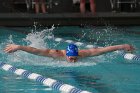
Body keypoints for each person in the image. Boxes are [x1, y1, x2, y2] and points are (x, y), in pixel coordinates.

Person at [4, 43, 134, 63]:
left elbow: (103, 50)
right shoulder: (55, 54)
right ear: (66, 54)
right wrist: (19, 47)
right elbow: (36, 51)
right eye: (71, 58)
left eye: (75, 58)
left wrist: (123, 46)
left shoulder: (84, 54)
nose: (73, 61)